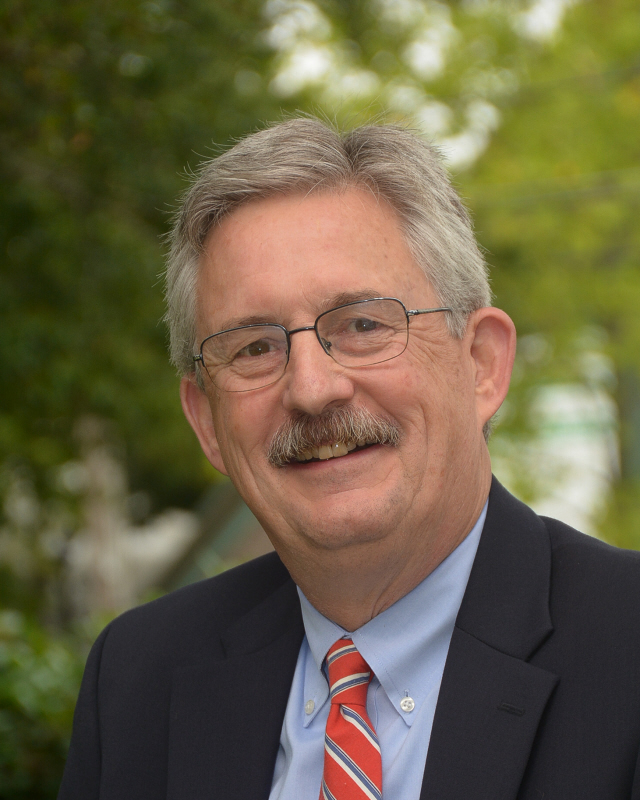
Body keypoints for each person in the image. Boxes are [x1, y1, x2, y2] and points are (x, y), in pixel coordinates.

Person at [58, 118, 640, 800]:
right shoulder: (137, 679)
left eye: (363, 324)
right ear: (207, 421)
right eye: (254, 348)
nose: (311, 389)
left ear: (481, 365)